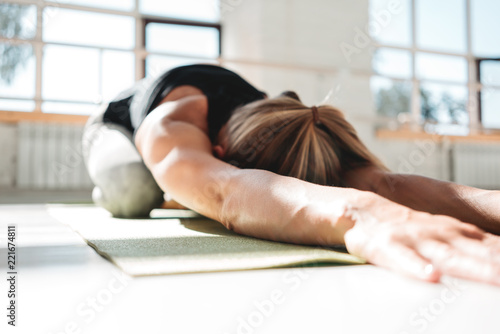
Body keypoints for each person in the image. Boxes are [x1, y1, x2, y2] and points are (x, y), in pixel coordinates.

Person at [83, 64, 500, 286]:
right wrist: (362, 215)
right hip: (113, 127)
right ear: (219, 154)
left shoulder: (288, 122)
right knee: (132, 191)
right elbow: (227, 193)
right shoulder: (170, 127)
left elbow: (382, 183)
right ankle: (162, 189)